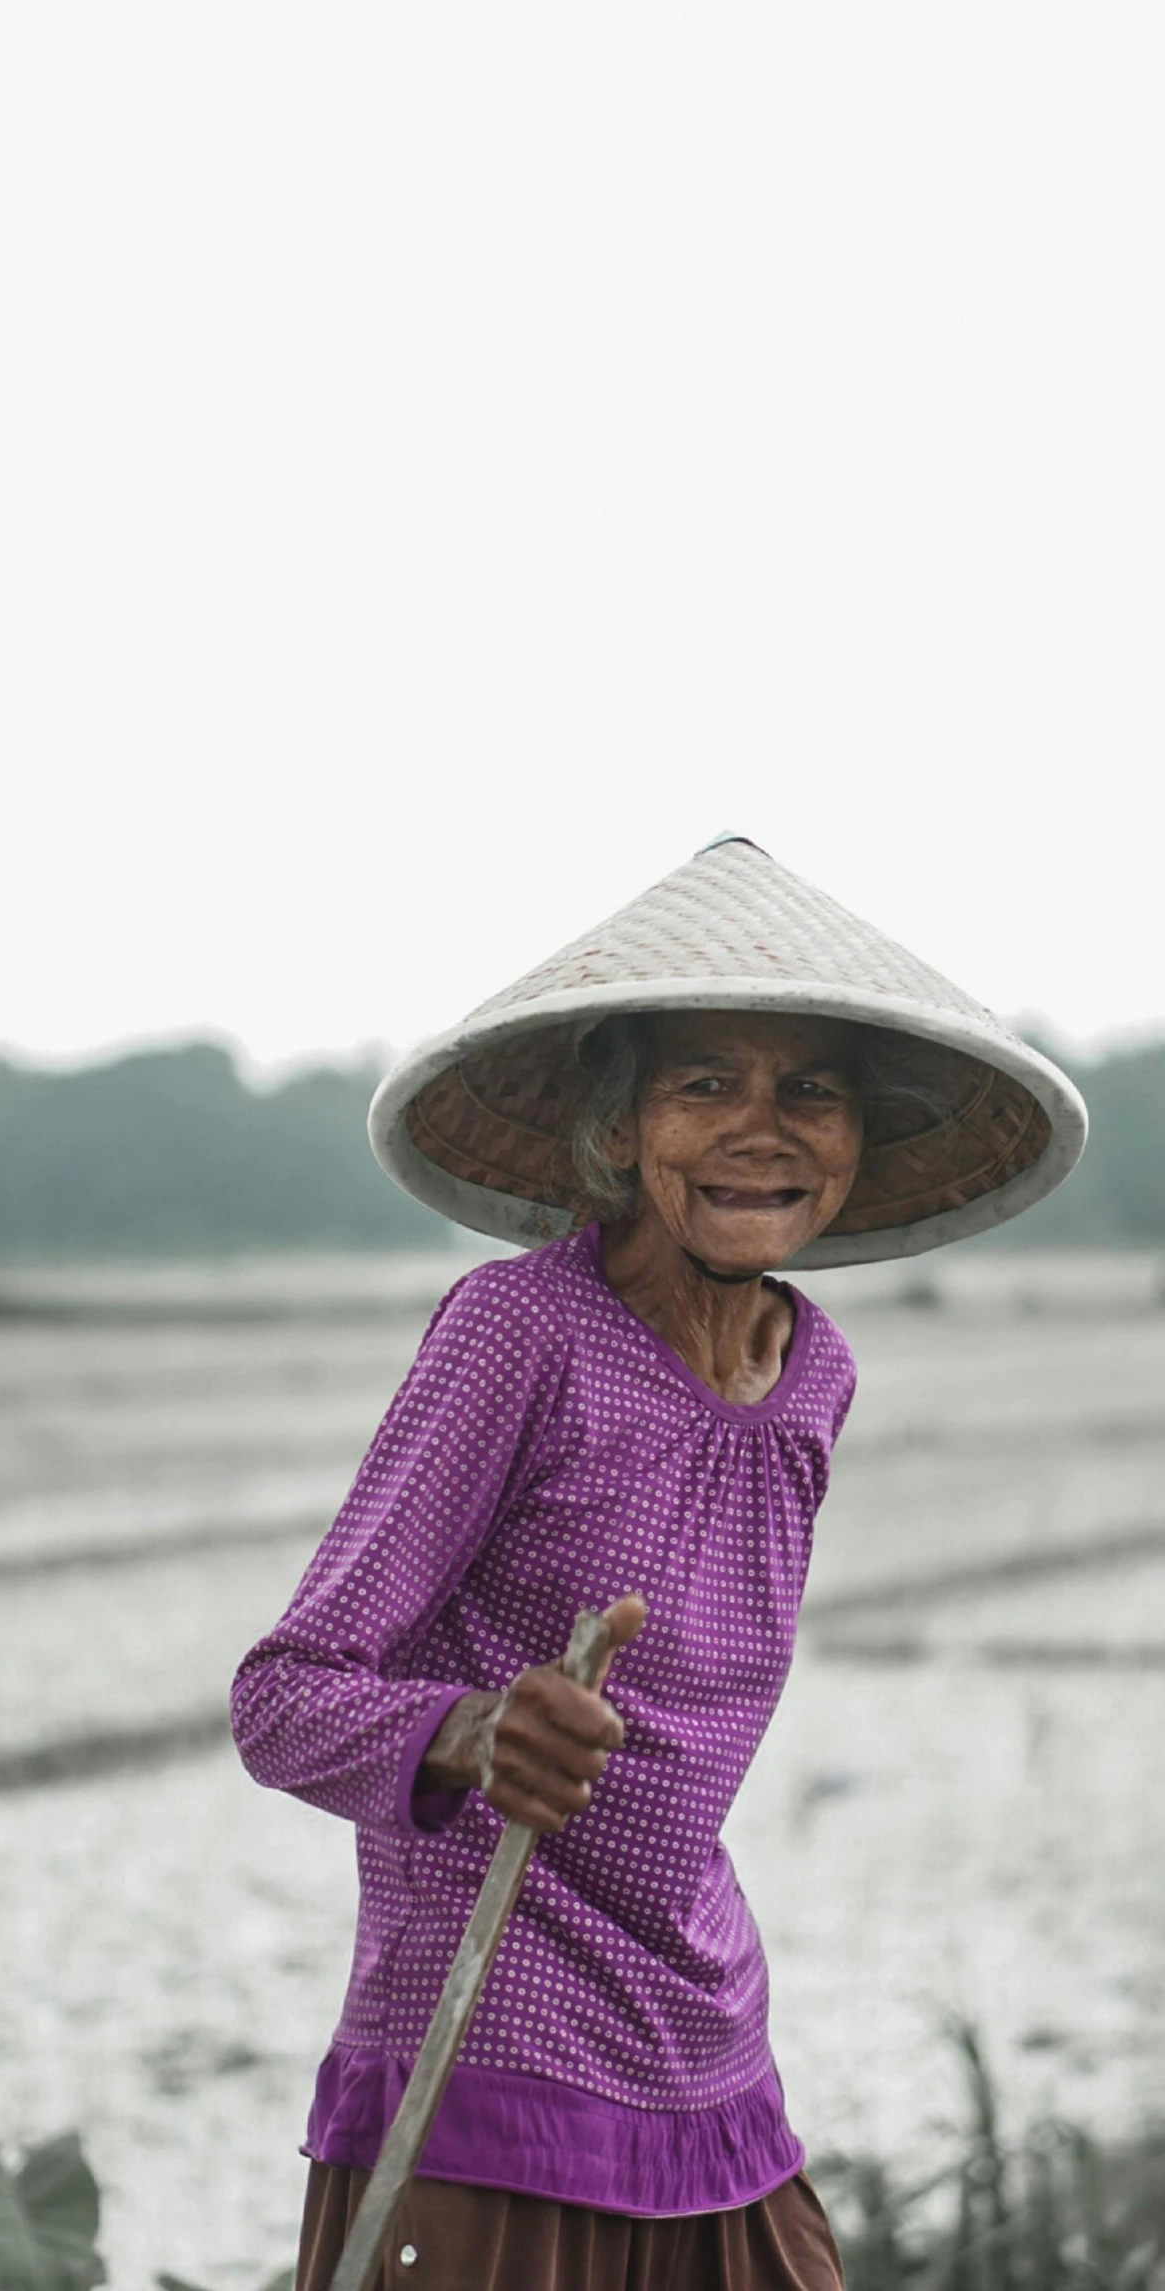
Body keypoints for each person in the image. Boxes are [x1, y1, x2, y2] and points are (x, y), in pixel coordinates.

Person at [231, 836, 1086, 2291]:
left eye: (806, 1090)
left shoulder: (812, 1371)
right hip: (489, 2039)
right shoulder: (521, 1333)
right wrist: (472, 1727)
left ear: (854, 1141)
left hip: (700, 2028)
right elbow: (285, 1694)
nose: (762, 1128)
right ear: (619, 1132)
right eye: (705, 1084)